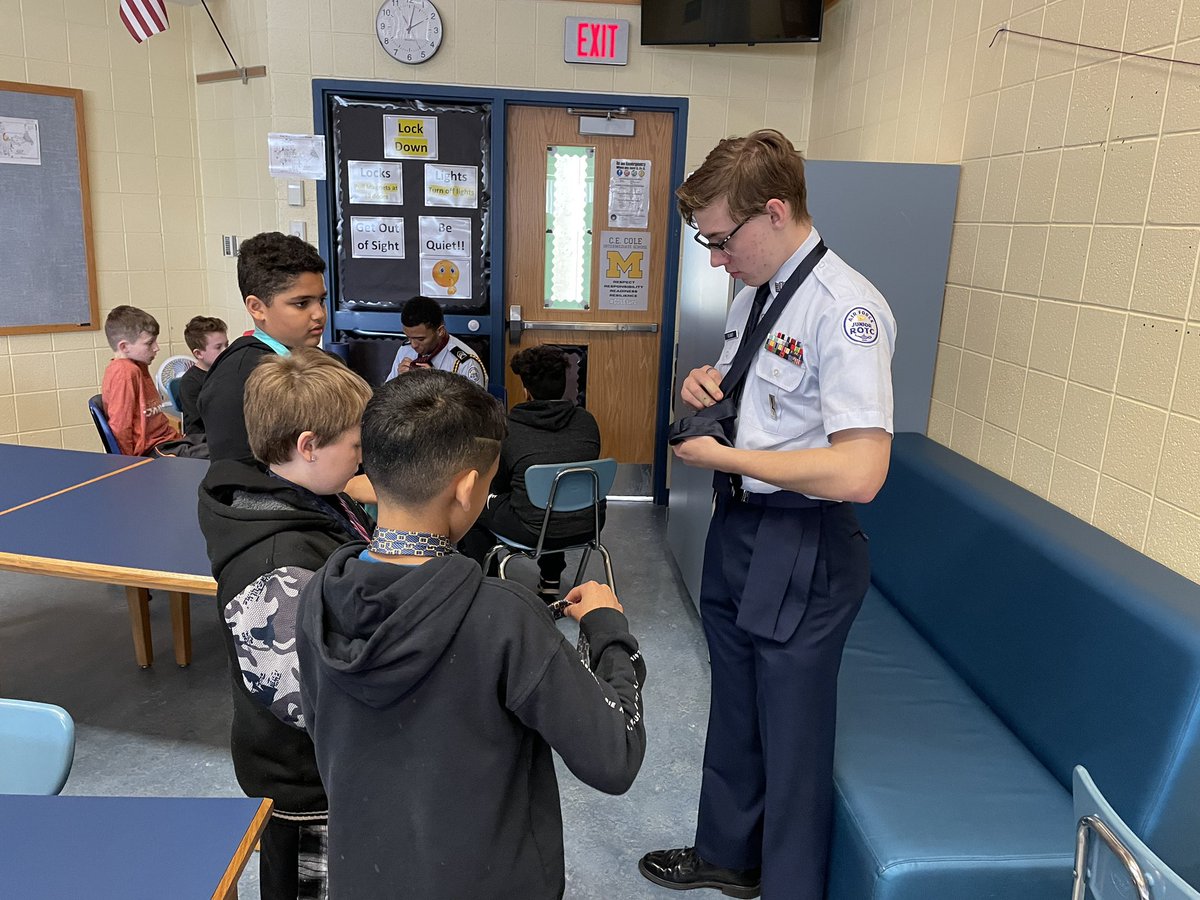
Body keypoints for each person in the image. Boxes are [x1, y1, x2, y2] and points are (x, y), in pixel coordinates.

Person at [639, 130, 896, 900]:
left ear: (775, 212)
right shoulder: (758, 291)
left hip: (802, 541)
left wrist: (733, 460)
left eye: (721, 240)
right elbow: (766, 398)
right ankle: (726, 855)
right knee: (737, 701)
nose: (716, 259)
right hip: (742, 525)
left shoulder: (846, 309)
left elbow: (862, 471)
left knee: (792, 733)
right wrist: (707, 387)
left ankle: (786, 886)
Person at [295, 369, 646, 900]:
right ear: (467, 486)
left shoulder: (318, 595)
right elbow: (614, 755)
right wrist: (608, 631)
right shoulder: (504, 617)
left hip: (364, 874)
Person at [197, 348, 375, 900]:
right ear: (307, 446)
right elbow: (298, 699)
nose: (363, 458)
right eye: (355, 446)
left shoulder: (305, 491)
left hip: (323, 768)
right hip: (303, 780)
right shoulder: (276, 563)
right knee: (307, 887)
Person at [460, 344, 604, 605]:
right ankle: (551, 579)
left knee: (476, 505)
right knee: (555, 494)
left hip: (531, 531)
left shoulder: (510, 428)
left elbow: (499, 484)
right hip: (588, 524)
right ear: (564, 385)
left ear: (526, 390)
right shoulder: (586, 421)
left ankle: (490, 584)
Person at [198, 232, 328, 462]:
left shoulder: (317, 360)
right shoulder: (236, 383)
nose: (319, 314)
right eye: (301, 303)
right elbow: (238, 478)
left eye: (321, 300)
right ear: (257, 307)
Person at [100, 305, 206, 458]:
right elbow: (120, 427)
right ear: (124, 346)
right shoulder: (125, 372)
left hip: (170, 441)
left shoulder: (138, 365)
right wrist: (127, 467)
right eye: (149, 343)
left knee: (226, 443)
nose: (156, 348)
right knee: (222, 455)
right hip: (155, 449)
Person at [385, 295, 487, 385]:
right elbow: (384, 400)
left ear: (440, 331)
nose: (413, 345)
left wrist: (437, 384)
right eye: (408, 337)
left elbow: (474, 406)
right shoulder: (405, 351)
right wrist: (398, 382)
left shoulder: (465, 363)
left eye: (420, 339)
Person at [177, 315, 228, 437]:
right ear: (199, 353)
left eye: (227, 344)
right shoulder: (190, 383)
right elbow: (200, 423)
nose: (226, 350)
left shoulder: (227, 371)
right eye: (218, 347)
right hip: (202, 439)